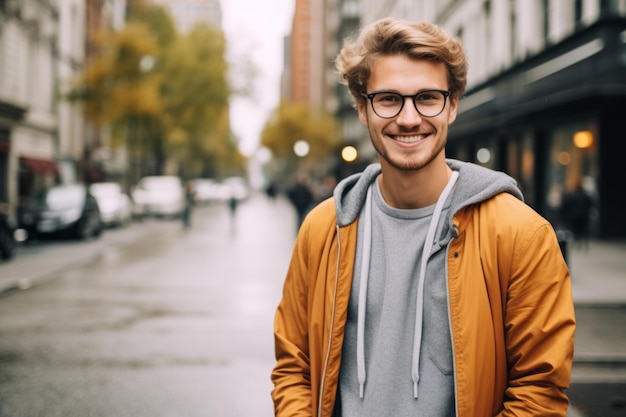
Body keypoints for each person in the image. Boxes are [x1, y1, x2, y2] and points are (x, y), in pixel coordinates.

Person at [271, 18, 575, 417]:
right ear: (363, 110)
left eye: (428, 98)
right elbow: (294, 366)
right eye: (388, 99)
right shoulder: (324, 228)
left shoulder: (521, 234)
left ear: (452, 106)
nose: (409, 118)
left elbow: (539, 389)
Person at [561, 179, 593, 251]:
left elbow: (568, 205)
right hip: (584, 216)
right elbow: (590, 204)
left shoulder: (573, 195)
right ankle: (585, 245)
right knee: (584, 231)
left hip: (575, 216)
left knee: (575, 231)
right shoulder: (585, 195)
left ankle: (576, 245)